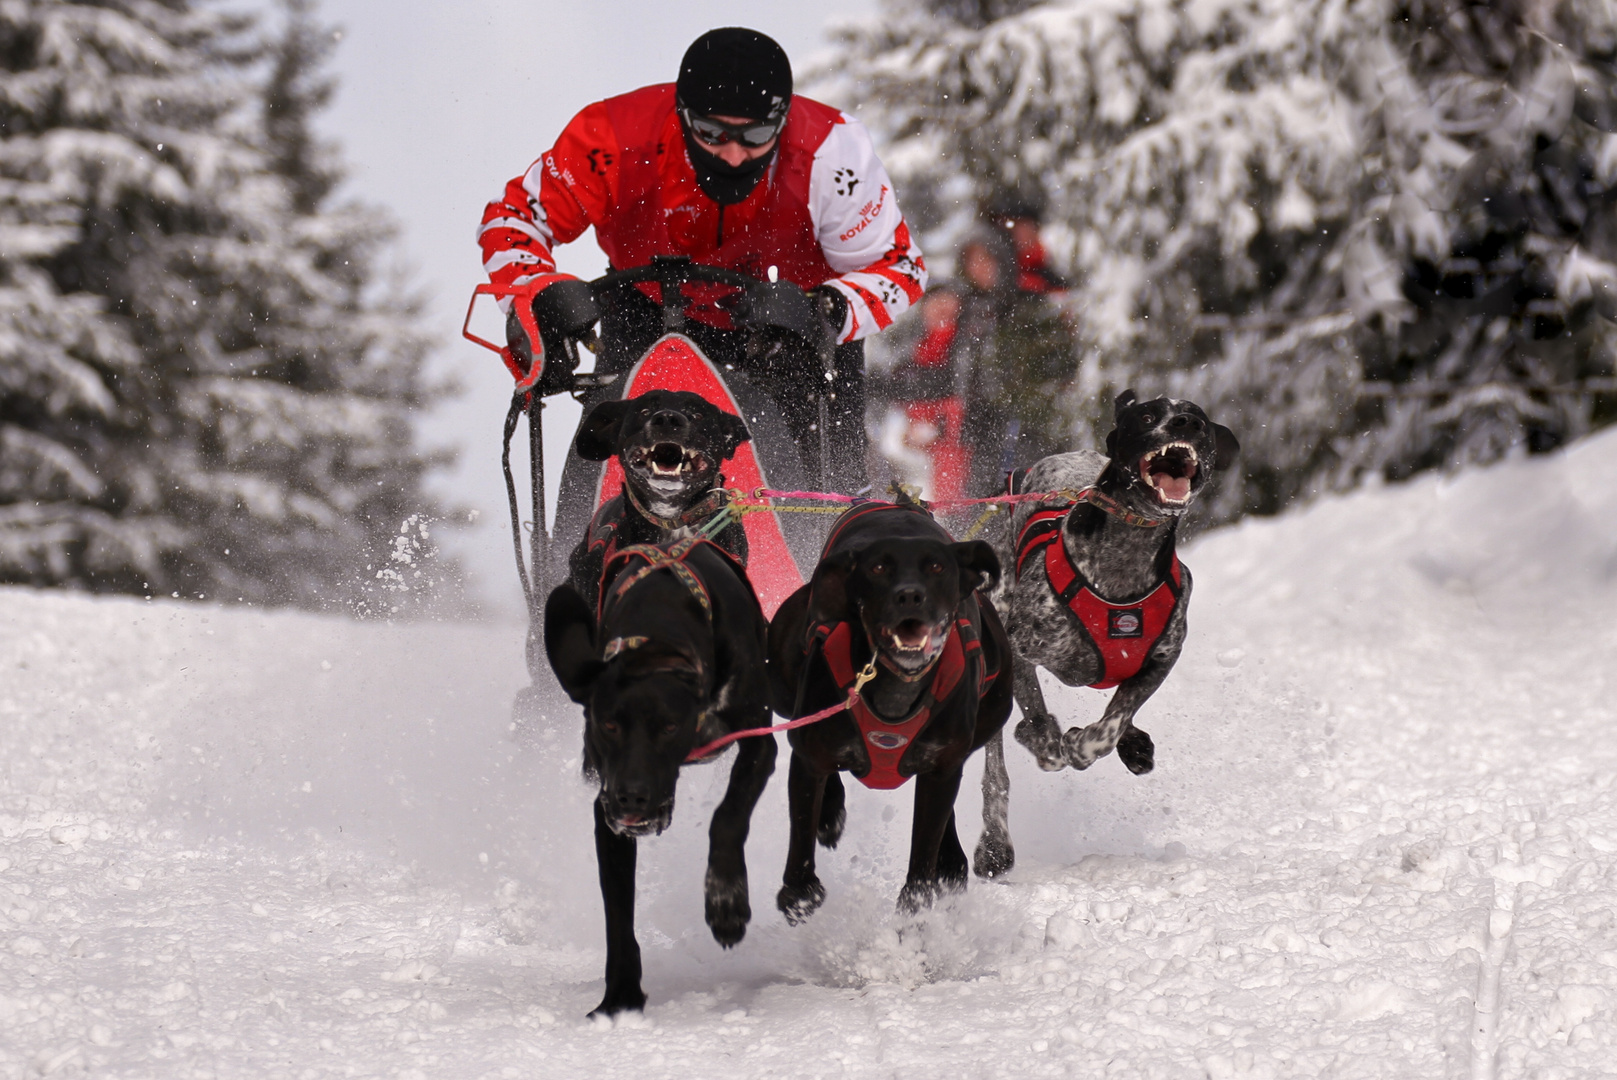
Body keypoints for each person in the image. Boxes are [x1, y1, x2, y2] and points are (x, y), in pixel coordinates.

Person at [477, 27, 926, 493]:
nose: (733, 155)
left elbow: (900, 267)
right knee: (603, 465)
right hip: (646, 308)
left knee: (831, 495)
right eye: (712, 133)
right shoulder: (611, 137)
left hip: (792, 328)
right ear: (682, 114)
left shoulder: (833, 152)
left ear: (783, 121)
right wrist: (536, 294)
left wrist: (830, 311)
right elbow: (513, 218)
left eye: (755, 136)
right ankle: (581, 556)